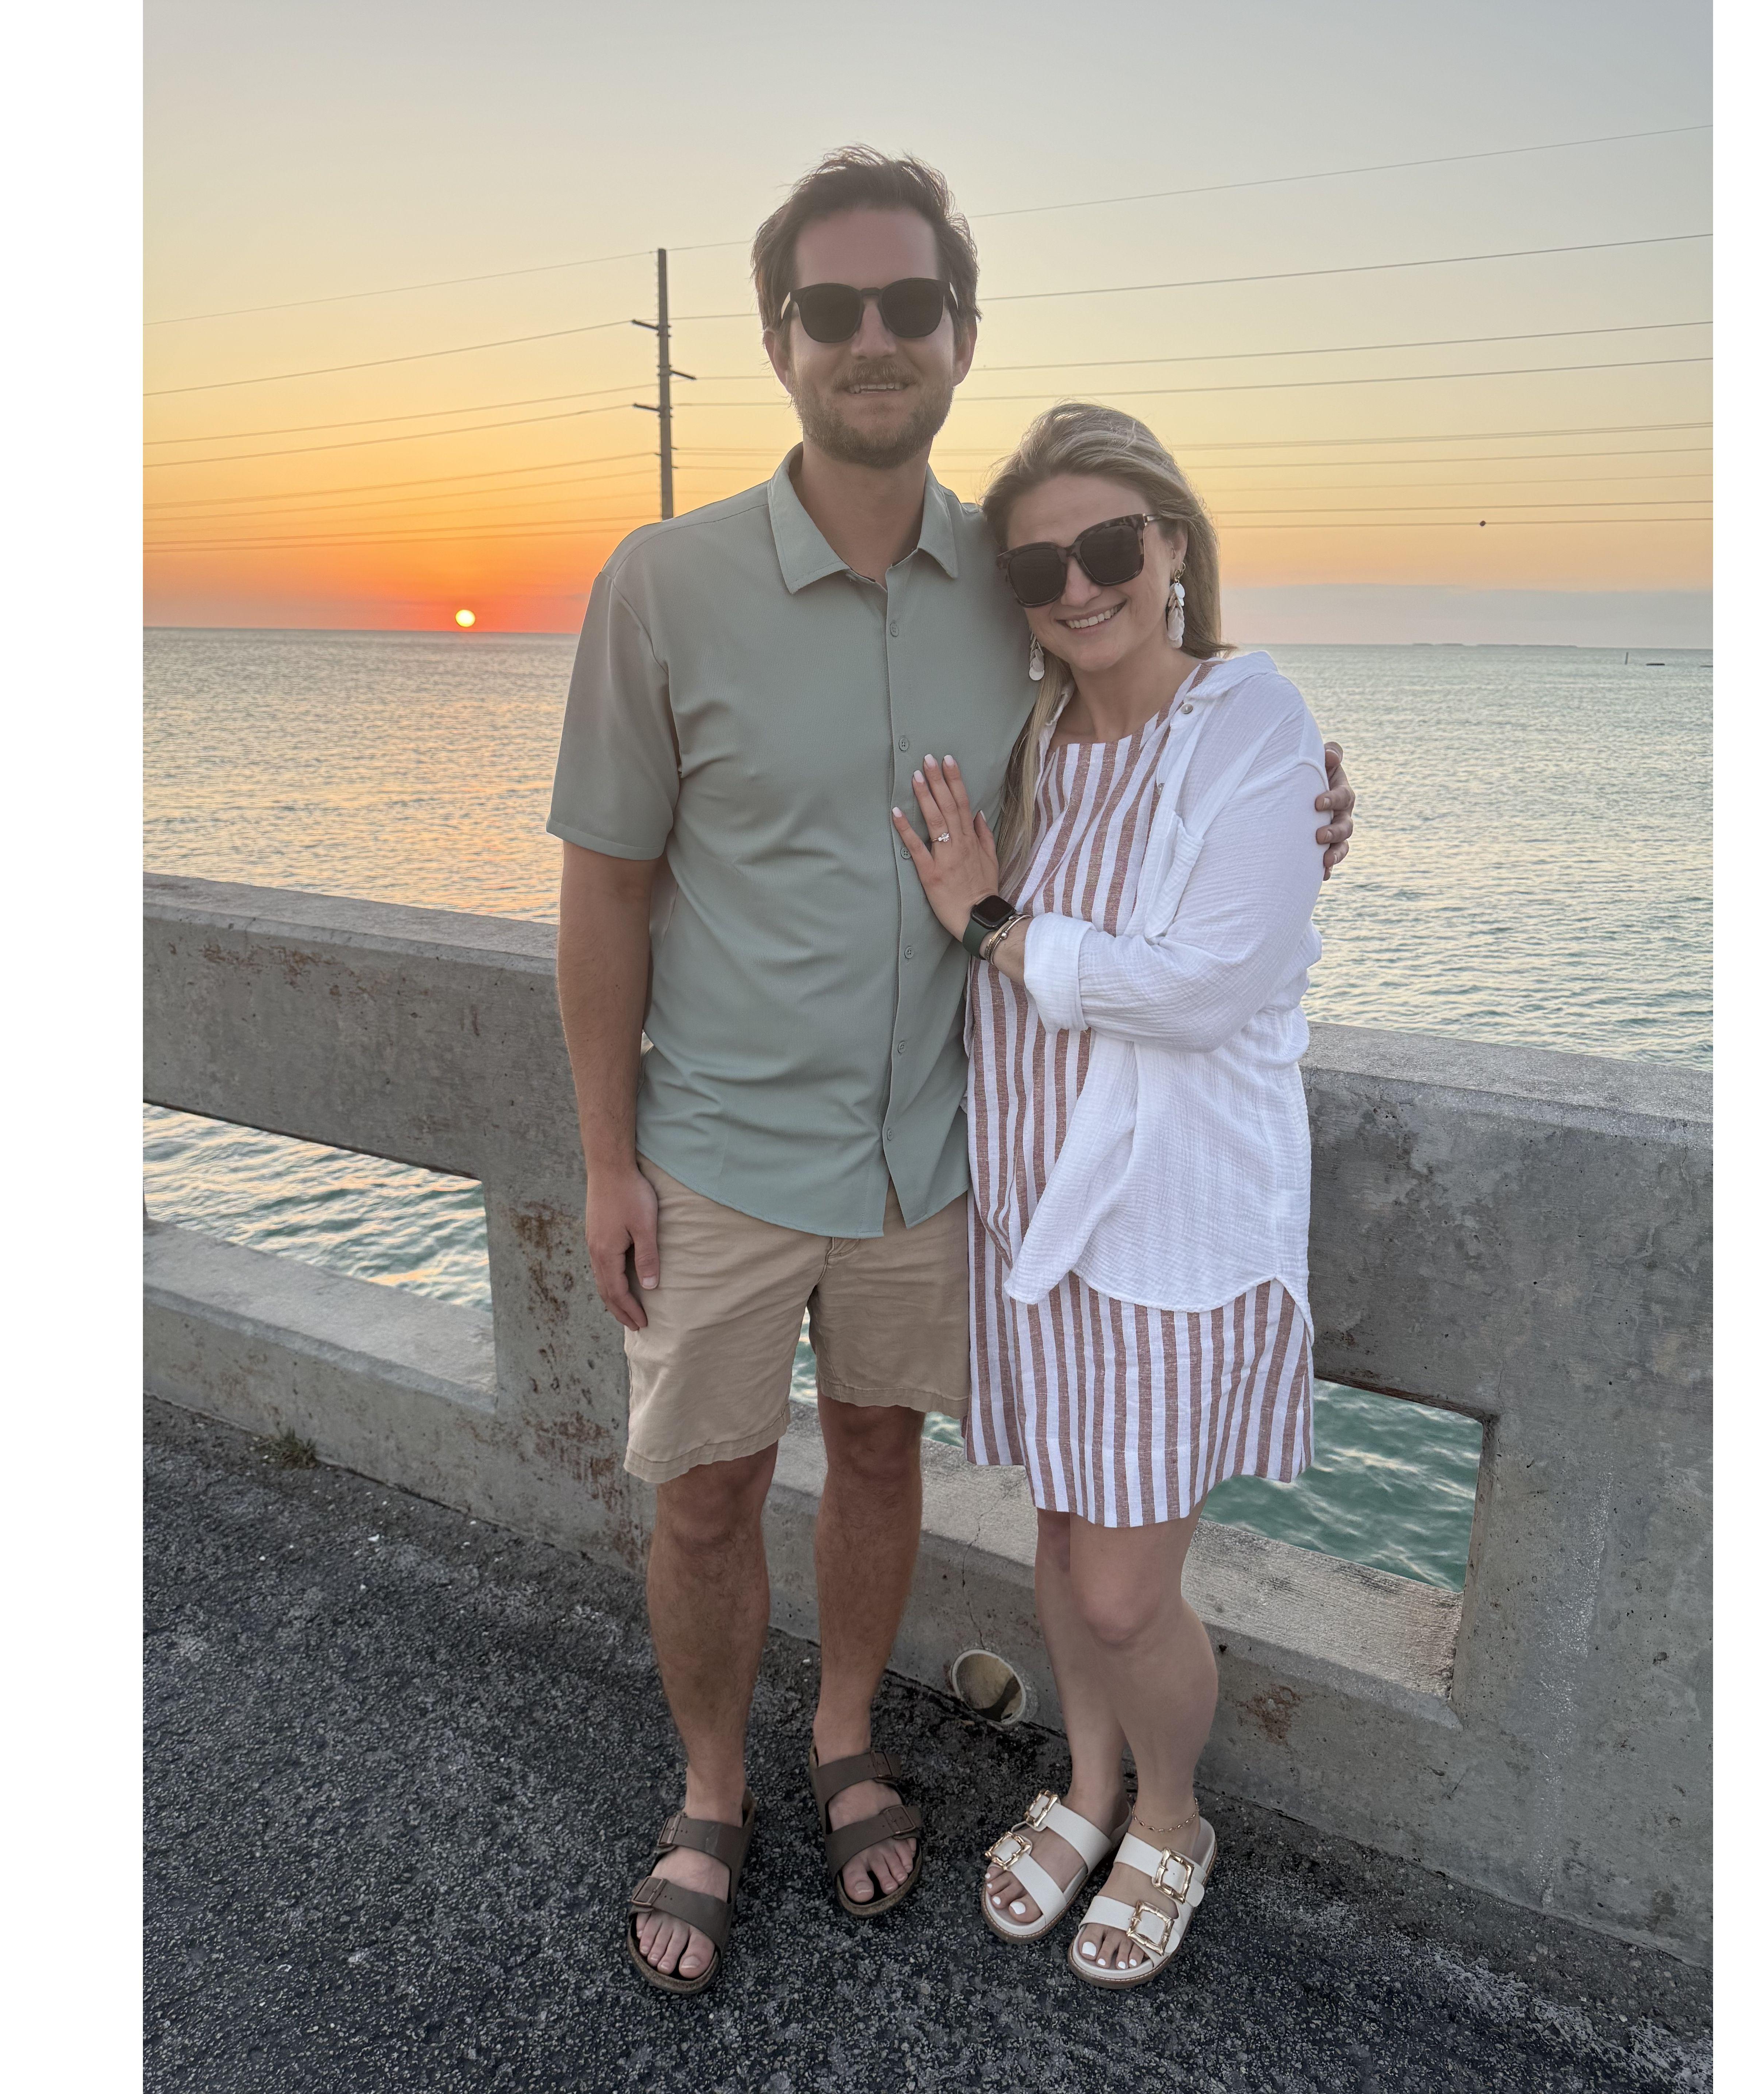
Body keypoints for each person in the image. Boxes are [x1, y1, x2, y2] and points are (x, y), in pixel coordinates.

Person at [548, 149, 1354, 1994]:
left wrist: (1311, 802)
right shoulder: (663, 585)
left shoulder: (1011, 584)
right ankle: (709, 1791)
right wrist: (603, 1157)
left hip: (940, 1162)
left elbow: (1166, 729)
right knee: (703, 1495)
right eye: (831, 308)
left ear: (961, 334)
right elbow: (604, 891)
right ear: (779, 339)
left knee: (881, 1453)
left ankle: (845, 1738)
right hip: (719, 1151)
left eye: (910, 303)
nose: (874, 337)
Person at [893, 401, 1328, 1988]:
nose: (1078, 587)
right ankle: (1086, 1785)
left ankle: (1175, 1818)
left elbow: (1204, 985)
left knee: (1128, 1590)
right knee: (1065, 1535)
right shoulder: (1029, 740)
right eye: (1037, 567)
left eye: (1108, 547)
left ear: (1174, 546)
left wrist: (992, 922)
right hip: (1032, 1220)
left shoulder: (1250, 717)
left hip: (1171, 1235)